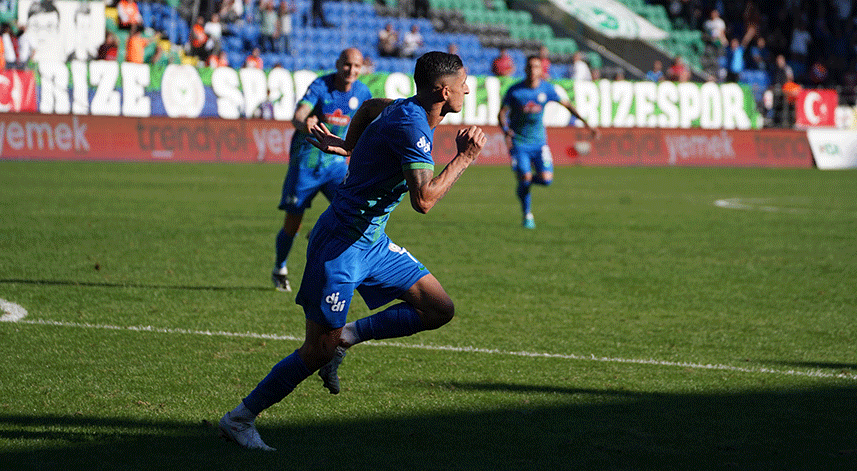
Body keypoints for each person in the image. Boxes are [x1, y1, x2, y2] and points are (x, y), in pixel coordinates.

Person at [220, 51, 486, 451]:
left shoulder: (405, 108)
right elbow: (424, 200)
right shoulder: (414, 126)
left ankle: (348, 336)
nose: (467, 89)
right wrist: (464, 158)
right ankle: (239, 419)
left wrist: (349, 145)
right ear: (443, 91)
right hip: (341, 245)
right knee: (316, 350)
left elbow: (369, 107)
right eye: (462, 83)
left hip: (372, 243)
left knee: (438, 308)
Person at [271, 48, 372, 293]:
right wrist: (305, 122)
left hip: (336, 166)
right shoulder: (320, 86)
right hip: (306, 164)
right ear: (337, 64)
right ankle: (280, 268)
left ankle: (321, 233)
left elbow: (369, 125)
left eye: (356, 66)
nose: (351, 70)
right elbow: (298, 116)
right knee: (293, 223)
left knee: (353, 210)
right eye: (347, 64)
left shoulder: (363, 93)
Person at [498, 55, 597, 229]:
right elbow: (501, 113)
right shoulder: (515, 91)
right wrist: (506, 130)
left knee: (546, 180)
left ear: (541, 70)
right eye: (530, 66)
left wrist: (586, 124)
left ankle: (524, 182)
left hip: (539, 142)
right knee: (525, 176)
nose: (532, 70)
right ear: (525, 69)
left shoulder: (547, 89)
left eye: (536, 66)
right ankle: (527, 215)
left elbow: (567, 105)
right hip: (519, 143)